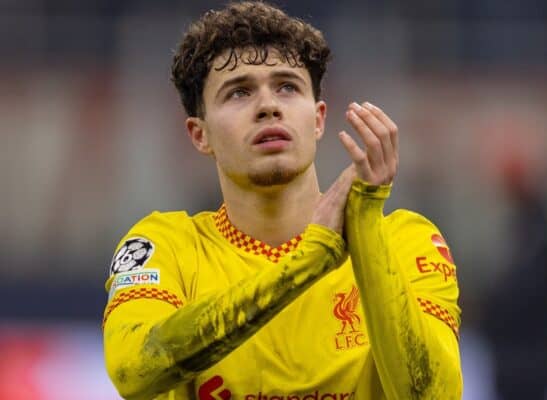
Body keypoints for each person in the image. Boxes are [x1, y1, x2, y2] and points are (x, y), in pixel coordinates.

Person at [102, 2, 462, 399]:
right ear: (198, 134)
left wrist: (365, 231)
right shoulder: (167, 246)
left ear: (319, 118)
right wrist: (309, 259)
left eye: (287, 86)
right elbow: (133, 370)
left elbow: (434, 395)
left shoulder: (403, 242)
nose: (269, 106)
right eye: (239, 92)